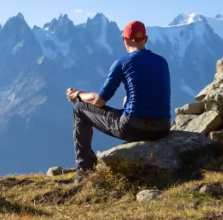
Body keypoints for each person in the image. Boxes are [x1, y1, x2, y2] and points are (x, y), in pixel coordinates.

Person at [65, 20, 171, 182]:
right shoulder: (162, 62)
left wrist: (78, 95)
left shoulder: (123, 62)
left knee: (80, 108)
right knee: (127, 99)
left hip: (133, 127)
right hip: (162, 128)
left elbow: (99, 101)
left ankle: (84, 170)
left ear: (126, 40)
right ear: (146, 39)